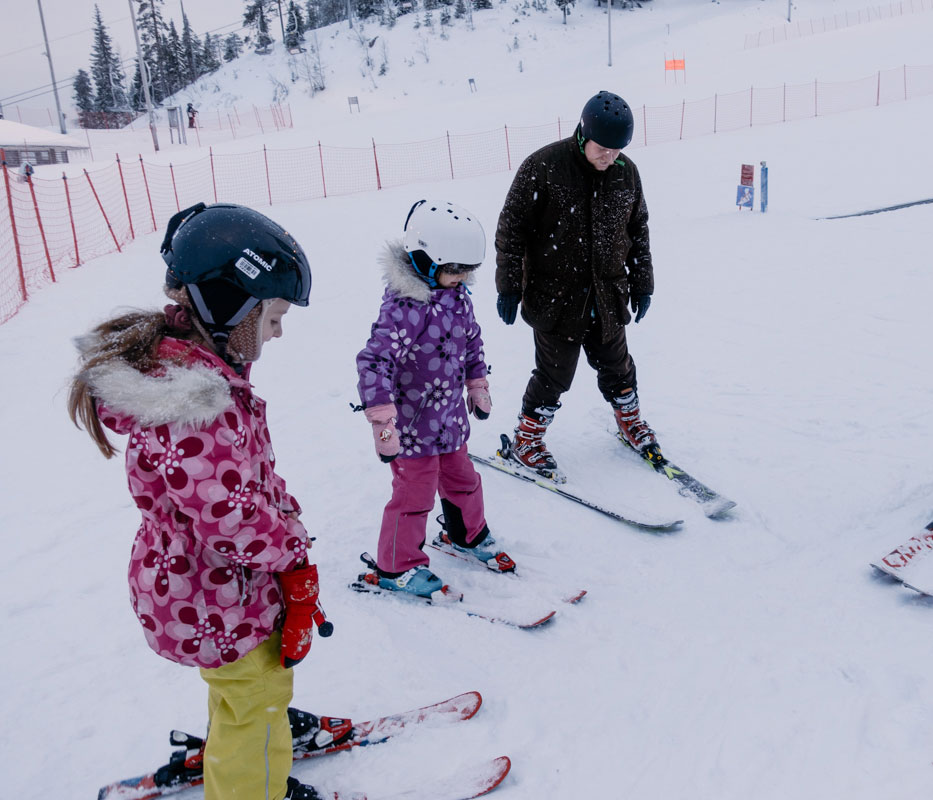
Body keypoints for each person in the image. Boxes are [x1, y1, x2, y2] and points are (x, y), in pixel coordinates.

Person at [68, 203, 344, 800]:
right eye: (271, 316)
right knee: (259, 703)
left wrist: (285, 517)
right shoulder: (196, 405)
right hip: (223, 594)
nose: (277, 331)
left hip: (202, 590)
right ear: (227, 308)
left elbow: (245, 483)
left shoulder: (191, 379)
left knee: (237, 694)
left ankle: (235, 755)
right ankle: (249, 783)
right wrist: (293, 551)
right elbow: (232, 519)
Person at [355, 199, 514, 600]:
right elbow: (374, 361)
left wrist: (477, 384)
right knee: (414, 497)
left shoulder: (458, 297)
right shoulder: (404, 308)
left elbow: (472, 342)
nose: (461, 278)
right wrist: (382, 421)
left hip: (450, 421)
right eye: (453, 269)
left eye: (466, 271)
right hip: (411, 430)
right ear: (424, 259)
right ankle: (397, 565)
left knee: (465, 481)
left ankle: (466, 533)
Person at [494, 90, 658, 478]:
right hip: (556, 299)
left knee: (619, 367)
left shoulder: (626, 172)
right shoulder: (544, 167)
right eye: (604, 149)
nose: (611, 157)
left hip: (608, 294)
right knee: (554, 376)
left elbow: (639, 230)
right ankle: (527, 439)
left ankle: (629, 421)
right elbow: (511, 230)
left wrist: (643, 283)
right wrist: (509, 286)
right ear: (584, 135)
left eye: (619, 150)